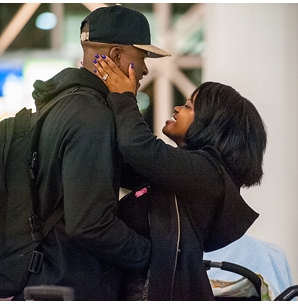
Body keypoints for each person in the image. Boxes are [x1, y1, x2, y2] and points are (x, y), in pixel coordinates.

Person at [20, 5, 170, 300]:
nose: (145, 69)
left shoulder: (61, 103)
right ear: (115, 56)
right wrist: (154, 256)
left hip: (46, 277)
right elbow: (90, 224)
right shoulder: (91, 117)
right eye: (141, 57)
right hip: (73, 283)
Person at [94, 55, 265, 300]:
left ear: (211, 126)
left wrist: (124, 96)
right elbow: (122, 162)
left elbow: (138, 148)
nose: (177, 108)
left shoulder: (207, 174)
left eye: (188, 106)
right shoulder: (181, 176)